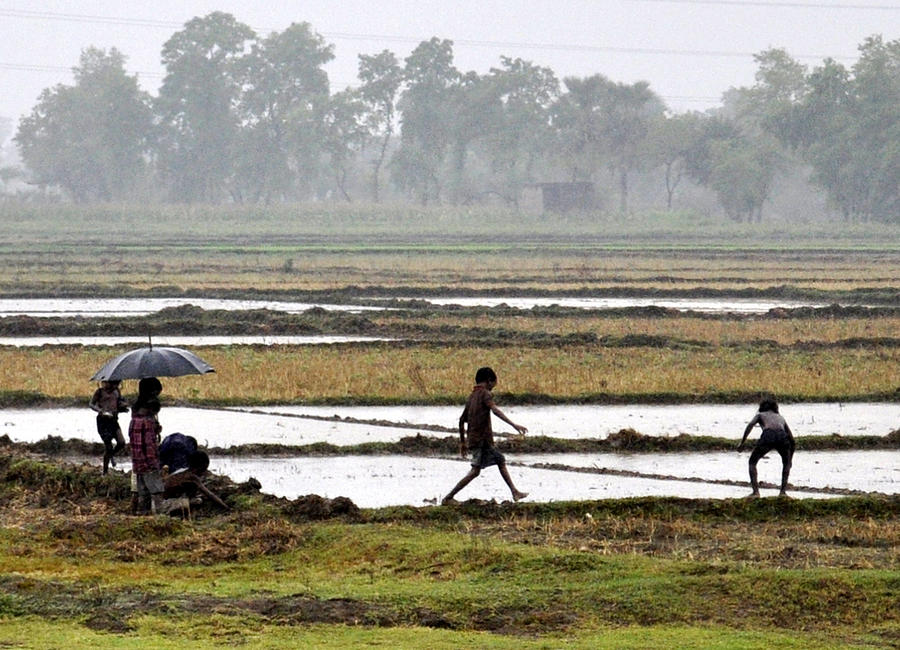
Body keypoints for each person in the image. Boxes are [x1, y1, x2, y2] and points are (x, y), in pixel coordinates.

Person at [442, 366, 528, 505]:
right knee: (485, 466)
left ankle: (514, 492)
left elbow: (461, 420)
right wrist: (514, 425)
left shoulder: (472, 396)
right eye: (493, 384)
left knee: (490, 464)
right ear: (489, 381)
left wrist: (463, 443)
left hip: (475, 440)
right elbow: (495, 410)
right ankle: (448, 497)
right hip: (482, 440)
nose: (493, 387)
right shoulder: (485, 394)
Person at [738, 398, 796, 497]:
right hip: (782, 437)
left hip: (768, 435)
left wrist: (742, 442)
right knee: (786, 464)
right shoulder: (780, 417)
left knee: (752, 462)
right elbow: (792, 440)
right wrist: (790, 459)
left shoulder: (760, 415)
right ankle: (783, 492)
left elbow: (750, 425)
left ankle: (756, 492)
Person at [128, 377, 164, 514]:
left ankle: (142, 516)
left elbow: (136, 442)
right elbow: (148, 445)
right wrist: (153, 463)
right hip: (148, 464)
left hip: (137, 464)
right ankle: (160, 517)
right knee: (157, 491)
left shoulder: (134, 419)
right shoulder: (147, 422)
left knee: (143, 493)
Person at [159, 449, 229, 515]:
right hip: (163, 506)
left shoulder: (182, 471)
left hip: (158, 502)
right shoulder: (192, 477)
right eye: (204, 469)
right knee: (198, 501)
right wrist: (226, 507)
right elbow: (210, 495)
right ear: (200, 467)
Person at [89, 379, 128, 474]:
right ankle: (105, 471)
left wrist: (123, 407)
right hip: (103, 421)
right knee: (108, 446)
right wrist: (100, 410)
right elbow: (91, 404)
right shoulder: (99, 392)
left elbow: (120, 404)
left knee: (121, 442)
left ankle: (111, 455)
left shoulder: (117, 392)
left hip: (113, 420)